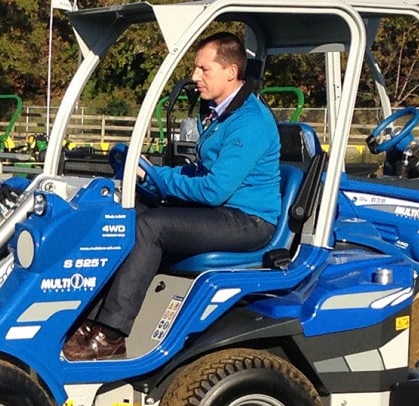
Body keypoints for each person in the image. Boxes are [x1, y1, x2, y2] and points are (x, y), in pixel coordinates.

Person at [64, 31, 281, 360]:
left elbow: (214, 189)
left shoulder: (249, 122)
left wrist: (162, 180)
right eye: (196, 68)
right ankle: (86, 317)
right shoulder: (220, 114)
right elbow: (199, 173)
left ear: (231, 72)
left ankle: (111, 334)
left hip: (248, 220)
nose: (195, 76)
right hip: (221, 211)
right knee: (126, 213)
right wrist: (154, 175)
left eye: (204, 69)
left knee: (151, 227)